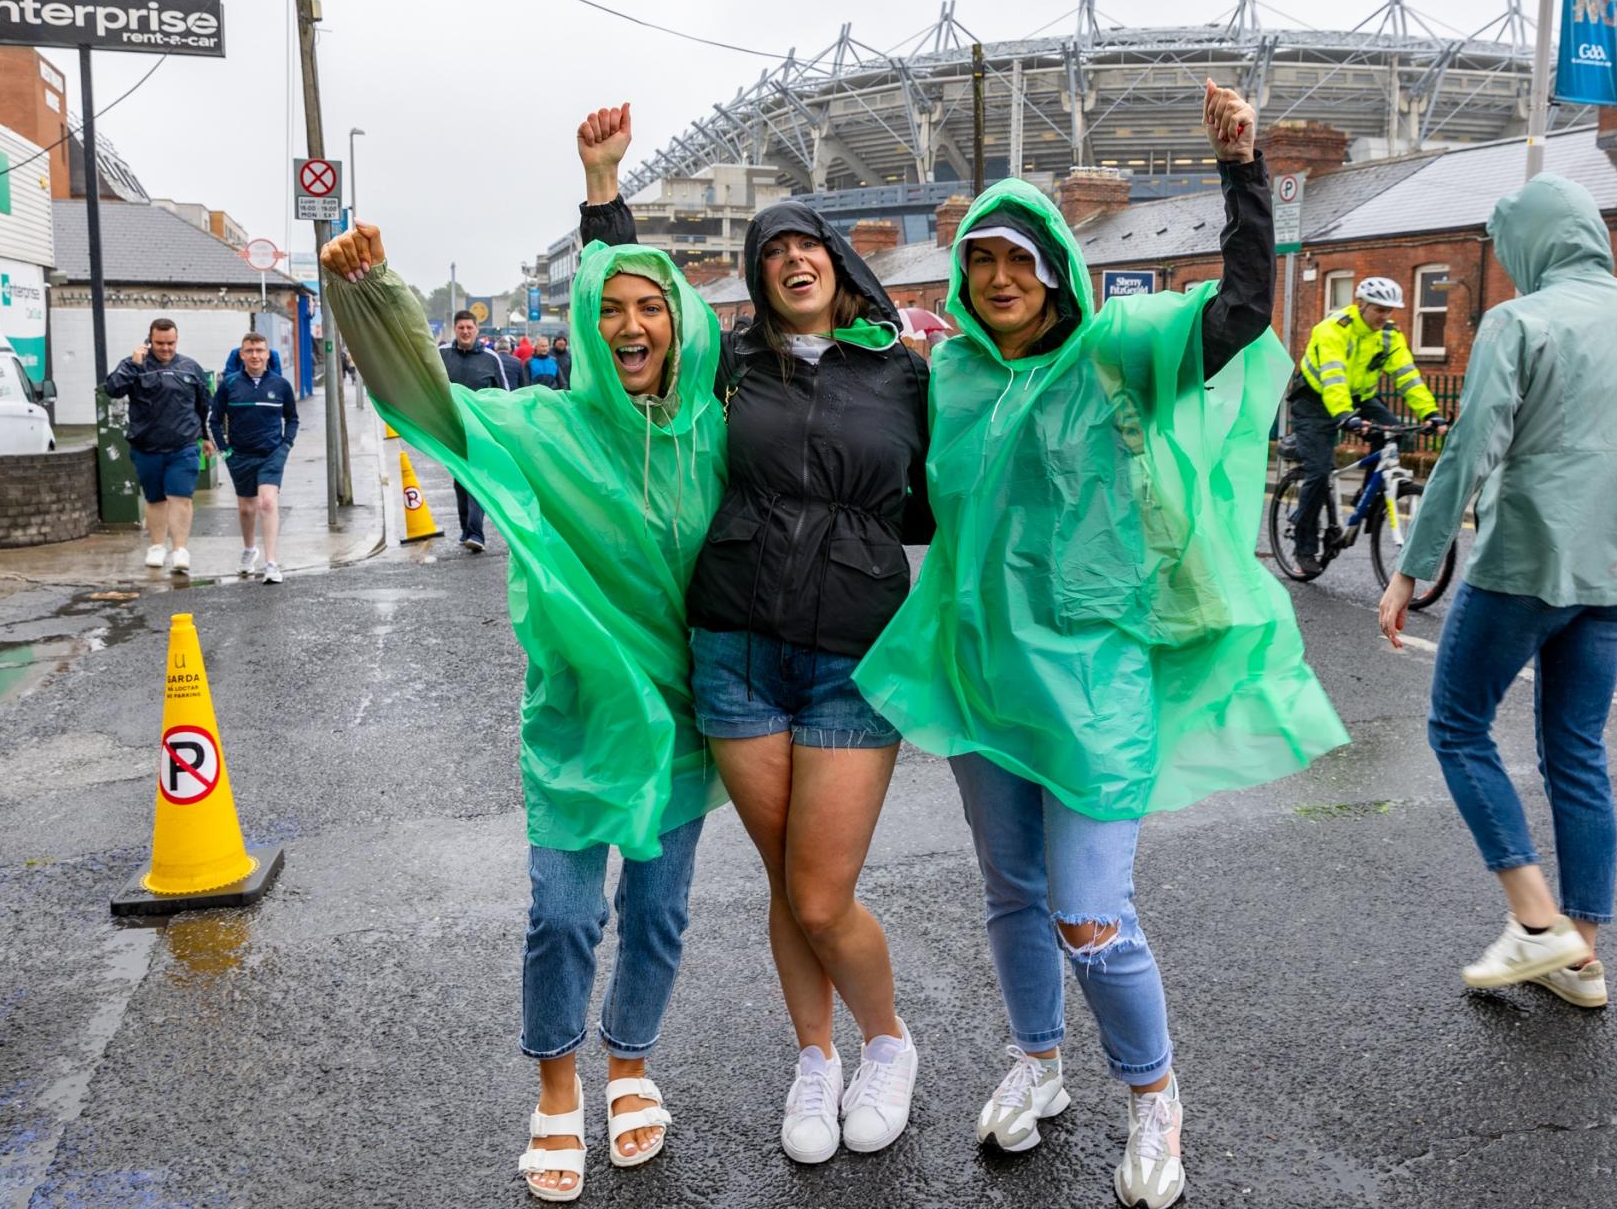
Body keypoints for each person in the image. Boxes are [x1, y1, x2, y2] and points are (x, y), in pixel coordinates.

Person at [854, 81, 1347, 1209]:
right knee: (1011, 891)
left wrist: (1243, 172)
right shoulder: (959, 374)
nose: (998, 280)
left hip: (1096, 680)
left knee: (1088, 908)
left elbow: (1235, 315)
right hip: (986, 681)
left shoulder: (1119, 348)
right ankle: (1038, 1058)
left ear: (1057, 270)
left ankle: (1153, 1092)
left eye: (1019, 259)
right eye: (982, 261)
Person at [321, 208, 727, 1203]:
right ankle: (557, 1082)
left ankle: (628, 1062)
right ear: (586, 326)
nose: (631, 325)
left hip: (683, 725)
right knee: (561, 914)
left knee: (661, 914)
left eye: (651, 307)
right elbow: (432, 402)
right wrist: (370, 295)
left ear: (681, 324)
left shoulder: (720, 430)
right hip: (578, 722)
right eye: (612, 309)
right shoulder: (545, 424)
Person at [579, 102, 931, 1165]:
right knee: (787, 880)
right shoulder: (727, 367)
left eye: (805, 243)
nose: (789, 259)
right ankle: (814, 1056)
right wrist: (603, 191)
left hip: (852, 659)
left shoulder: (908, 373)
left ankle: (887, 1042)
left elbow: (968, 479)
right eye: (769, 249)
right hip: (734, 646)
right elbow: (627, 316)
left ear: (838, 262)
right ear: (757, 276)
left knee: (824, 891)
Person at [1380, 174, 1617, 1011]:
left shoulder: (1519, 321)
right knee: (1577, 753)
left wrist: (1412, 568)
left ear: (1531, 245)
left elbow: (1470, 452)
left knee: (1457, 725)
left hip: (1529, 563)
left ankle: (1535, 923)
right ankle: (1583, 954)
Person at [1287, 276, 1446, 576]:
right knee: (1319, 473)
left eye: (1389, 310)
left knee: (1393, 433)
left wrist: (1431, 414)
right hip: (1315, 400)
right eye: (1379, 309)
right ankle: (1304, 546)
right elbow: (1333, 377)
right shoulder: (1333, 329)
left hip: (1358, 397)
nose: (1385, 316)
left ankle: (1367, 496)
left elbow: (1407, 376)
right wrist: (1347, 416)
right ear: (1360, 304)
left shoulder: (1388, 335)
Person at [102, 317, 212, 575]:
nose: (165, 348)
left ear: (177, 340)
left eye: (170, 343)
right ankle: (157, 546)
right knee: (155, 498)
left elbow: (203, 405)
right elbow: (113, 389)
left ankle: (180, 549)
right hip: (147, 446)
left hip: (183, 445)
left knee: (180, 497)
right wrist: (132, 364)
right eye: (159, 343)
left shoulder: (190, 368)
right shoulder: (135, 365)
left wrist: (206, 437)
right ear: (149, 340)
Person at [208, 331, 299, 584]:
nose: (255, 355)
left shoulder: (280, 385)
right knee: (247, 509)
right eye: (249, 351)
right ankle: (250, 550)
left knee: (268, 503)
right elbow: (213, 420)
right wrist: (225, 450)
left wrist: (286, 444)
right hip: (240, 455)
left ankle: (271, 564)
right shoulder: (230, 385)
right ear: (242, 355)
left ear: (268, 354)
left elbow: (292, 418)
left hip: (272, 453)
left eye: (260, 350)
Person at [438, 310, 509, 551]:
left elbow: (504, 395)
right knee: (460, 481)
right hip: (453, 430)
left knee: (477, 479)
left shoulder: (491, 358)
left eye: (470, 328)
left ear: (477, 330)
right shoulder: (442, 355)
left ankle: (476, 534)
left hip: (481, 431)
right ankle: (466, 530)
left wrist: (503, 429)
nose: (466, 332)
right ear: (455, 330)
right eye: (461, 328)